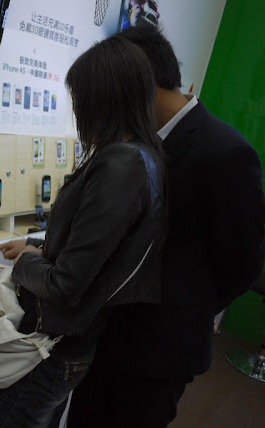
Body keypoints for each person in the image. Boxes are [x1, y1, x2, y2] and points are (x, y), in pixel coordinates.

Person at [67, 26, 265, 427]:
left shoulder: (225, 152)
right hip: (106, 333)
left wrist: (186, 304)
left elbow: (243, 265)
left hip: (157, 351)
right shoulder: (135, 143)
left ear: (138, 80)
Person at [0, 36, 167, 427]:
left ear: (102, 99)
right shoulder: (145, 157)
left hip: (53, 347)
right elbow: (93, 247)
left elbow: (67, 283)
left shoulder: (120, 165)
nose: (76, 109)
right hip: (73, 346)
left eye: (79, 97)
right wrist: (33, 244)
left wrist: (27, 262)